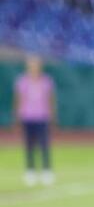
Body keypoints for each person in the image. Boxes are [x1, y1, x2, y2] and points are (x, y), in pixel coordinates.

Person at [14, 55, 56, 186]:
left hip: (42, 116)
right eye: (31, 65)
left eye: (36, 65)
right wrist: (17, 116)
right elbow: (19, 99)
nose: (34, 67)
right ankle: (30, 171)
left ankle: (46, 171)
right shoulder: (22, 81)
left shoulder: (46, 81)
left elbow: (50, 99)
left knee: (44, 145)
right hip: (27, 116)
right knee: (29, 145)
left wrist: (52, 115)